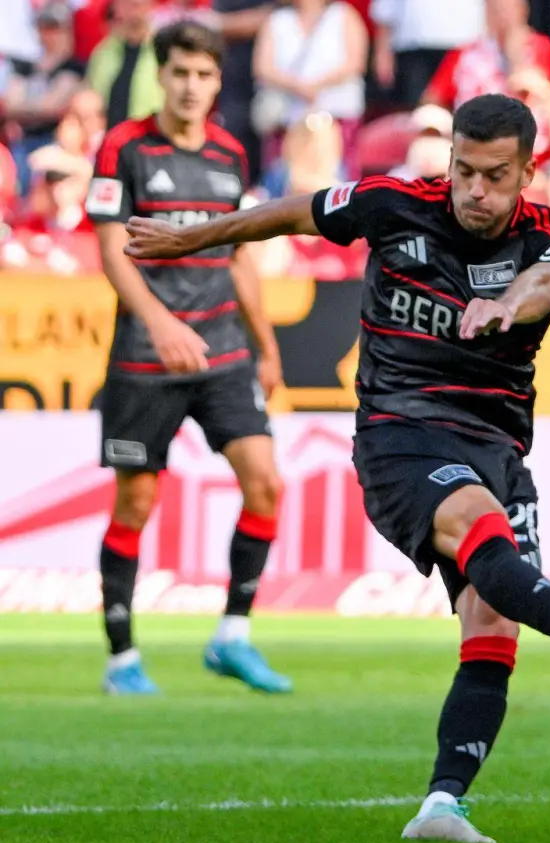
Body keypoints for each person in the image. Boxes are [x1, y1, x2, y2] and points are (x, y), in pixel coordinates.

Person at [120, 93, 550, 843]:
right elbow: (288, 214)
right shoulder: (391, 204)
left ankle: (442, 804)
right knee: (481, 527)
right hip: (399, 432)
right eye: (464, 171)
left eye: (495, 177)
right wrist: (196, 239)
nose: (476, 191)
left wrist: (509, 301)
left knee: (493, 620)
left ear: (528, 173)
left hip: (496, 444)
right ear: (449, 161)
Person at [85, 21, 290, 696]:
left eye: (204, 76)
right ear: (162, 75)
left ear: (216, 81)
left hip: (224, 350)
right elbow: (112, 249)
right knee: (136, 503)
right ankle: (122, 660)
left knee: (265, 482)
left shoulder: (231, 153)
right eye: (179, 73)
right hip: (148, 355)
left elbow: (240, 258)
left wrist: (267, 348)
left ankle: (232, 635)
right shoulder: (125, 146)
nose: (191, 87)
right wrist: (160, 322)